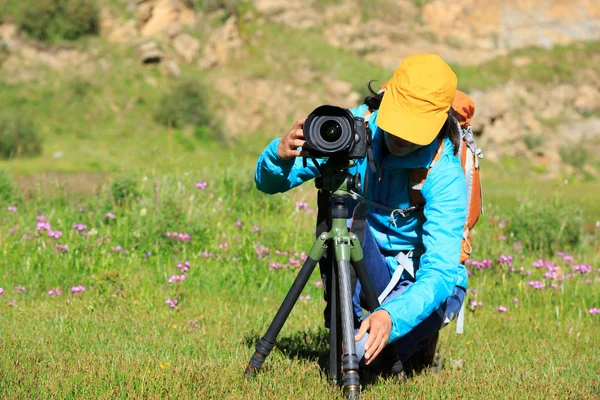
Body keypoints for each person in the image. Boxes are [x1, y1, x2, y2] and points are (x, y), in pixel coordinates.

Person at [254, 54, 468, 375]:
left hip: (421, 283)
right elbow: (268, 184)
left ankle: (401, 338)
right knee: (337, 205)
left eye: (413, 130)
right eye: (397, 121)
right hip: (363, 260)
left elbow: (439, 272)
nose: (400, 137)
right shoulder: (354, 128)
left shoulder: (444, 172)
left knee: (374, 365)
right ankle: (347, 327)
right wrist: (279, 154)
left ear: (437, 123)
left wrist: (391, 317)